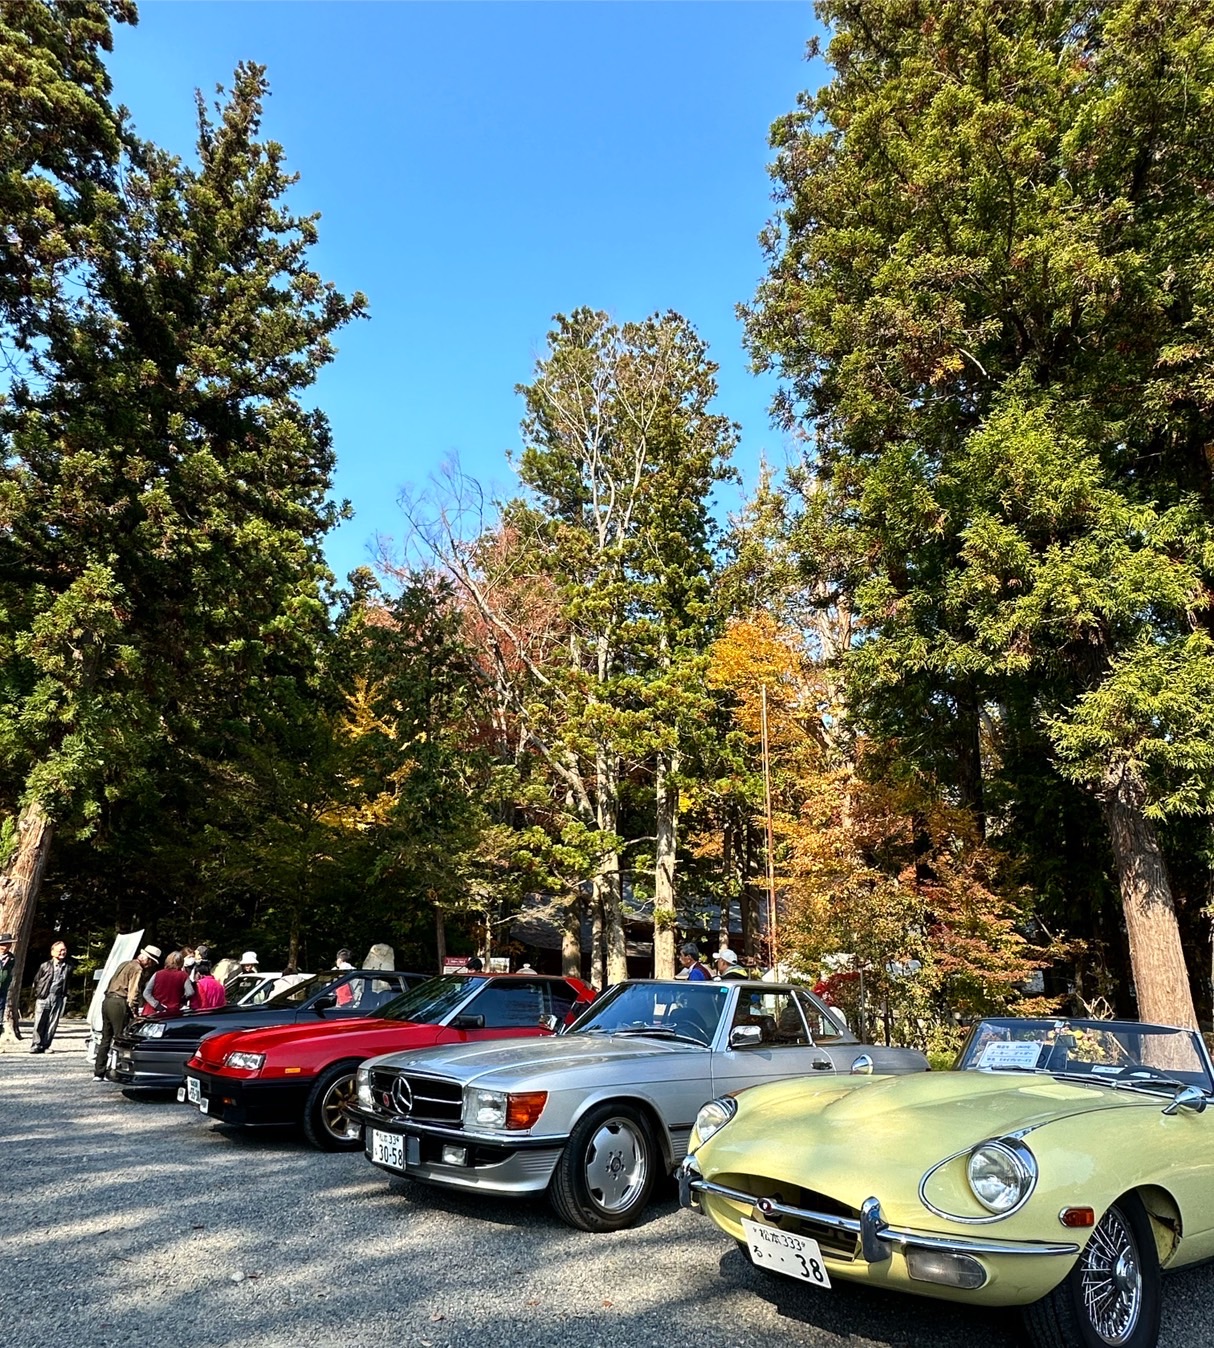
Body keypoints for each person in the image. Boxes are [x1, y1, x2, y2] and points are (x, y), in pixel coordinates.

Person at [94, 945, 161, 1079]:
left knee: (105, 1038)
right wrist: (134, 1012)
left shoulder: (125, 964)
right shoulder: (137, 969)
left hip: (107, 1000)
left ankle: (99, 1072)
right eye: (151, 962)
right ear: (147, 960)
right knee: (121, 1038)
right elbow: (133, 993)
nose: (150, 965)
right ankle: (119, 1071)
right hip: (119, 1003)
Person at [30, 939, 73, 1053]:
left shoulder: (69, 966)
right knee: (39, 1021)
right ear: (53, 952)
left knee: (52, 1022)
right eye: (60, 950)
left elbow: (67, 981)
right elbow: (36, 980)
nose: (62, 952)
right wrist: (38, 993)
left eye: (64, 950)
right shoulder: (45, 966)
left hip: (58, 997)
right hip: (44, 996)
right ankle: (36, 1044)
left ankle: (46, 1045)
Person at [142, 949, 190, 1016]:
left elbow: (146, 993)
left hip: (152, 1011)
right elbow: (190, 992)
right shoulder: (183, 975)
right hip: (172, 1012)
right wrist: (181, 1000)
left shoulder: (158, 974)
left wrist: (157, 1005)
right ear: (181, 963)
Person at [0, 932, 14, 1024]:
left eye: (8, 944)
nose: (6, 946)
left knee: (0, 1007)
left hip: (2, 988)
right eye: (4, 944)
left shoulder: (11, 958)